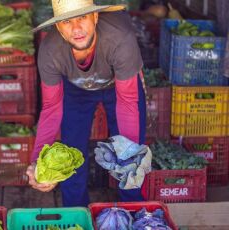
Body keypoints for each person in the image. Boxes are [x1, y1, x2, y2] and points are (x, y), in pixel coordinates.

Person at [26, 0, 148, 207]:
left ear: (95, 17)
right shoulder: (50, 51)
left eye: (82, 17)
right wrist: (38, 161)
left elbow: (128, 102)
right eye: (66, 22)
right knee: (70, 151)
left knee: (130, 157)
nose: (76, 29)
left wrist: (128, 155)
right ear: (58, 28)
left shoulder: (120, 38)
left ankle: (134, 210)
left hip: (119, 88)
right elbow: (51, 108)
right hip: (75, 89)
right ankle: (76, 213)